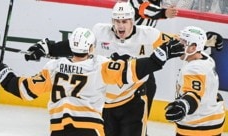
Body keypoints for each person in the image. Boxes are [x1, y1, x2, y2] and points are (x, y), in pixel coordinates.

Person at [0, 27, 184, 136]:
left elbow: (25, 90)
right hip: (90, 130)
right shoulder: (100, 65)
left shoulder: (53, 67)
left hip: (59, 131)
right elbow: (134, 70)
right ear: (91, 47)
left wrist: (4, 75)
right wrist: (160, 55)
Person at [24, 2, 180, 136]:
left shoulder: (149, 35)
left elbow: (178, 43)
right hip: (105, 101)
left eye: (125, 21)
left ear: (132, 21)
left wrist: (200, 44)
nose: (120, 25)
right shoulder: (100, 32)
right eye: (117, 21)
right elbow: (77, 45)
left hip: (134, 99)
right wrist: (48, 49)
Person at [164, 26, 226, 136]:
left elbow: (193, 94)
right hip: (211, 119)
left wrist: (183, 106)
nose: (177, 46)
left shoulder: (194, 69)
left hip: (199, 126)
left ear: (193, 48)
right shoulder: (205, 57)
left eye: (183, 43)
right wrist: (205, 41)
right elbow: (198, 48)